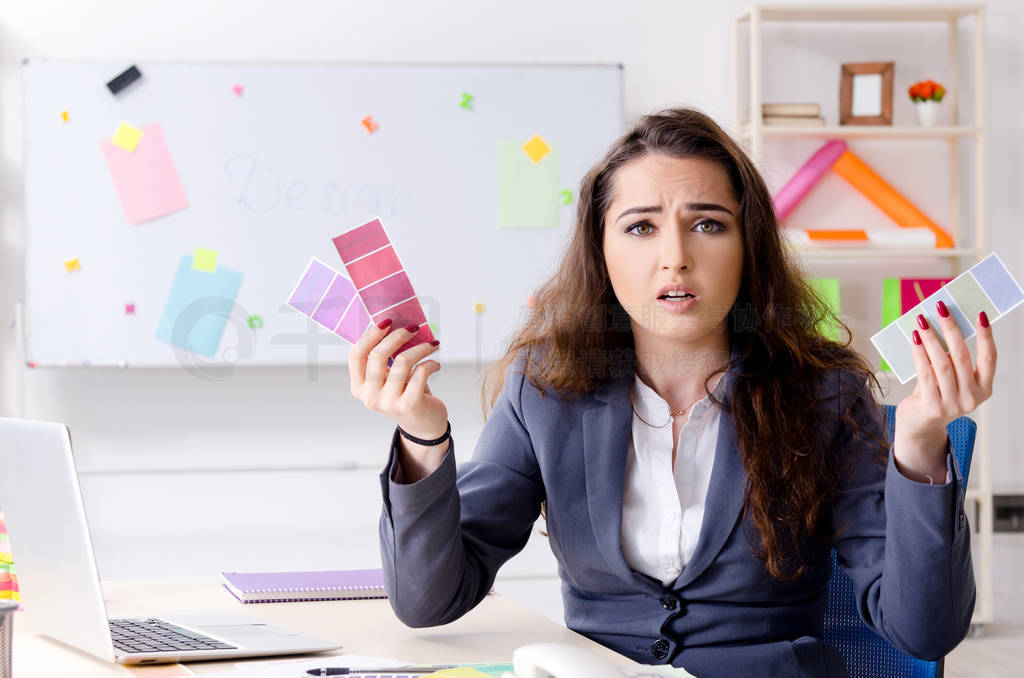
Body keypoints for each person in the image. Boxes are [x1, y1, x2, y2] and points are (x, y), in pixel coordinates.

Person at [347, 107, 996, 677]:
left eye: (709, 224)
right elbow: (429, 600)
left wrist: (919, 440)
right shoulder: (545, 390)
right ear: (600, 251)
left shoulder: (825, 391)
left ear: (749, 246)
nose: (676, 257)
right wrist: (422, 434)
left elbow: (924, 632)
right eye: (640, 227)